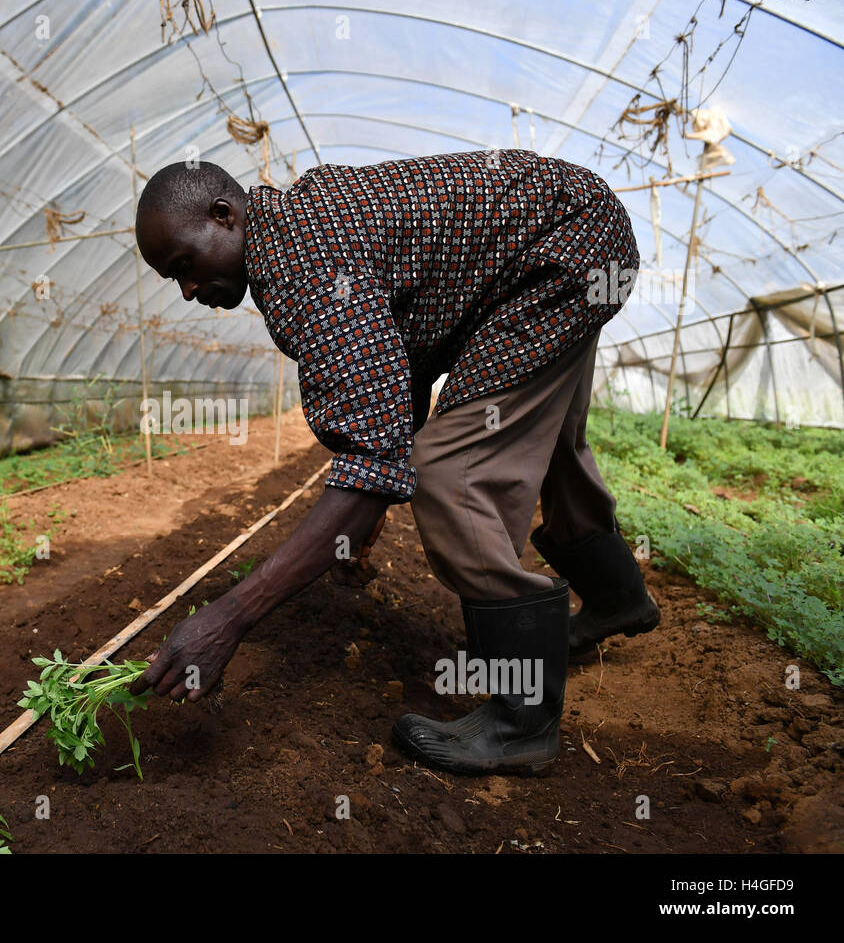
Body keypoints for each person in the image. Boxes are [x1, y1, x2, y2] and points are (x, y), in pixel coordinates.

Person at [132, 149, 659, 776]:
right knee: (549, 441)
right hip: (580, 233)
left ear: (225, 215)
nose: (189, 290)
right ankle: (615, 597)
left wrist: (229, 618)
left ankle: (524, 723)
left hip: (560, 252)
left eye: (185, 265)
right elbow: (395, 373)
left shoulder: (302, 262)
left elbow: (379, 454)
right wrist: (370, 500)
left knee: (450, 472)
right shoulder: (300, 225)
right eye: (175, 280)